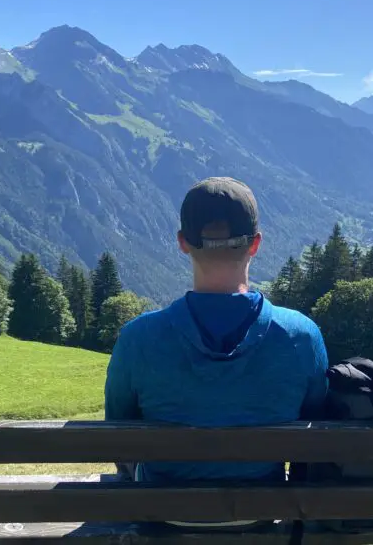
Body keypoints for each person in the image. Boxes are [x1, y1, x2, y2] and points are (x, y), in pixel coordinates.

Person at [104, 176, 329, 505]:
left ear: (183, 242)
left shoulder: (138, 338)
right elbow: (316, 429)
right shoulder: (301, 336)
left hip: (162, 516)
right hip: (263, 516)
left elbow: (118, 437)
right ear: (255, 243)